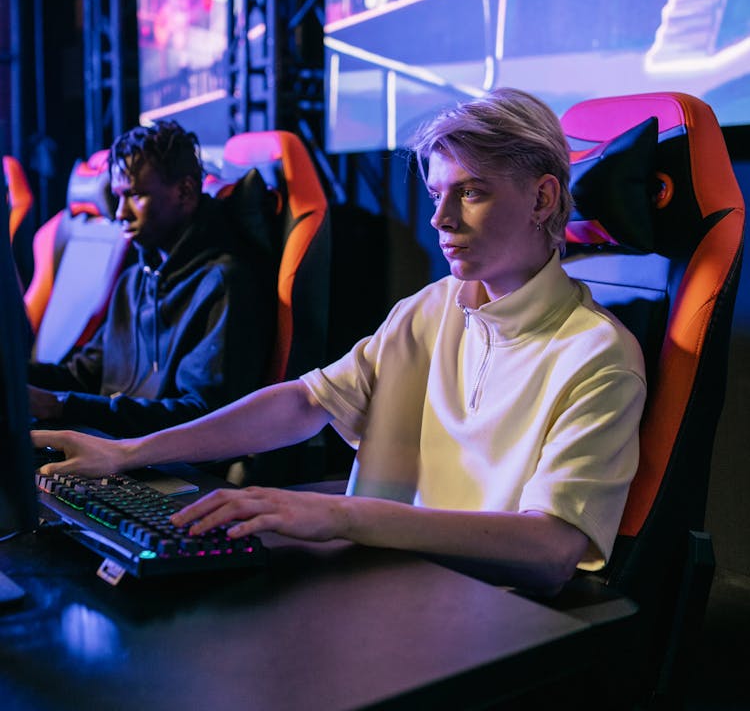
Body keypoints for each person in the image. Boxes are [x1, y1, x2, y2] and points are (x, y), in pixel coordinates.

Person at [34, 89, 646, 594]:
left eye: (472, 192)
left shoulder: (598, 355)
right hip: (384, 590)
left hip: (488, 631)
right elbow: (304, 403)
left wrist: (342, 515)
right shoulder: (432, 308)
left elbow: (551, 547)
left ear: (542, 198)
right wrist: (128, 454)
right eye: (437, 195)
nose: (441, 220)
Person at [29, 119, 277, 438]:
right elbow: (82, 377)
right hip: (114, 454)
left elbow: (202, 417)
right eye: (118, 196)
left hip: (174, 471)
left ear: (185, 192)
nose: (120, 213)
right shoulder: (133, 282)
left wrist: (63, 406)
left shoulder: (223, 284)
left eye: (135, 196)